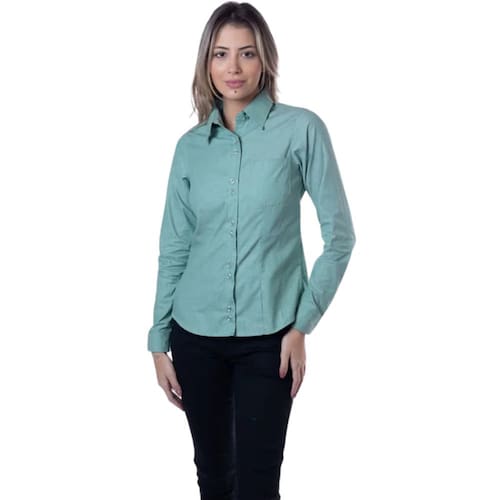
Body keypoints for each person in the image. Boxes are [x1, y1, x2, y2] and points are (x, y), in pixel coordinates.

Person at [147, 2, 356, 499]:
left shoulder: (301, 130)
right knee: (213, 479)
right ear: (207, 63)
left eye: (247, 53)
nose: (233, 67)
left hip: (271, 340)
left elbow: (340, 237)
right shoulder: (190, 147)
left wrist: (302, 325)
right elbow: (174, 246)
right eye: (220, 54)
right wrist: (158, 339)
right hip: (194, 337)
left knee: (259, 485)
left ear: (265, 60)